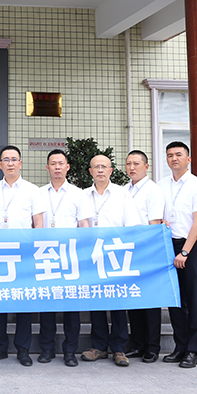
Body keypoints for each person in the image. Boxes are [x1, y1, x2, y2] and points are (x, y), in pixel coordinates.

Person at [78, 154, 142, 367]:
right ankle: (98, 346)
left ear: (111, 170)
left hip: (117, 253)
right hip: (92, 254)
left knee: (118, 301)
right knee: (96, 300)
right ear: (90, 171)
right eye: (96, 167)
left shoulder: (122, 194)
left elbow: (132, 224)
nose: (100, 170)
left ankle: (119, 348)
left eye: (104, 166)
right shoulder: (83, 195)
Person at [0, 145, 45, 366]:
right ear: (0, 164)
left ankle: (23, 349)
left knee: (24, 302)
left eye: (14, 159)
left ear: (20, 163)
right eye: (6, 160)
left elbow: (38, 224)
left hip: (24, 253)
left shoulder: (32, 190)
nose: (10, 163)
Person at [157, 141, 197, 369]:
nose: (174, 158)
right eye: (170, 155)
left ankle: (192, 351)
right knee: (175, 301)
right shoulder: (161, 185)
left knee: (193, 301)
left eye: (178, 154)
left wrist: (185, 252)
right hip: (169, 245)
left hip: (191, 246)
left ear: (188, 159)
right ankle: (179, 347)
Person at [38, 149, 83, 368]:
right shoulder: (38, 193)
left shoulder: (78, 194)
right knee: (47, 305)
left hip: (70, 255)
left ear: (67, 167)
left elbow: (84, 225)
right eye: (53, 164)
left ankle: (70, 351)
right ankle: (47, 349)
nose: (57, 167)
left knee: (71, 307)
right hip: (45, 254)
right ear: (47, 168)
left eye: (61, 163)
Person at [124, 150, 166, 364]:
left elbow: (155, 224)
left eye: (136, 163)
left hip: (147, 251)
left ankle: (152, 346)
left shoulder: (153, 191)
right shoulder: (124, 190)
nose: (132, 167)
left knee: (150, 300)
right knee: (134, 297)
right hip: (127, 251)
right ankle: (137, 343)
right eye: (128, 164)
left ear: (146, 166)